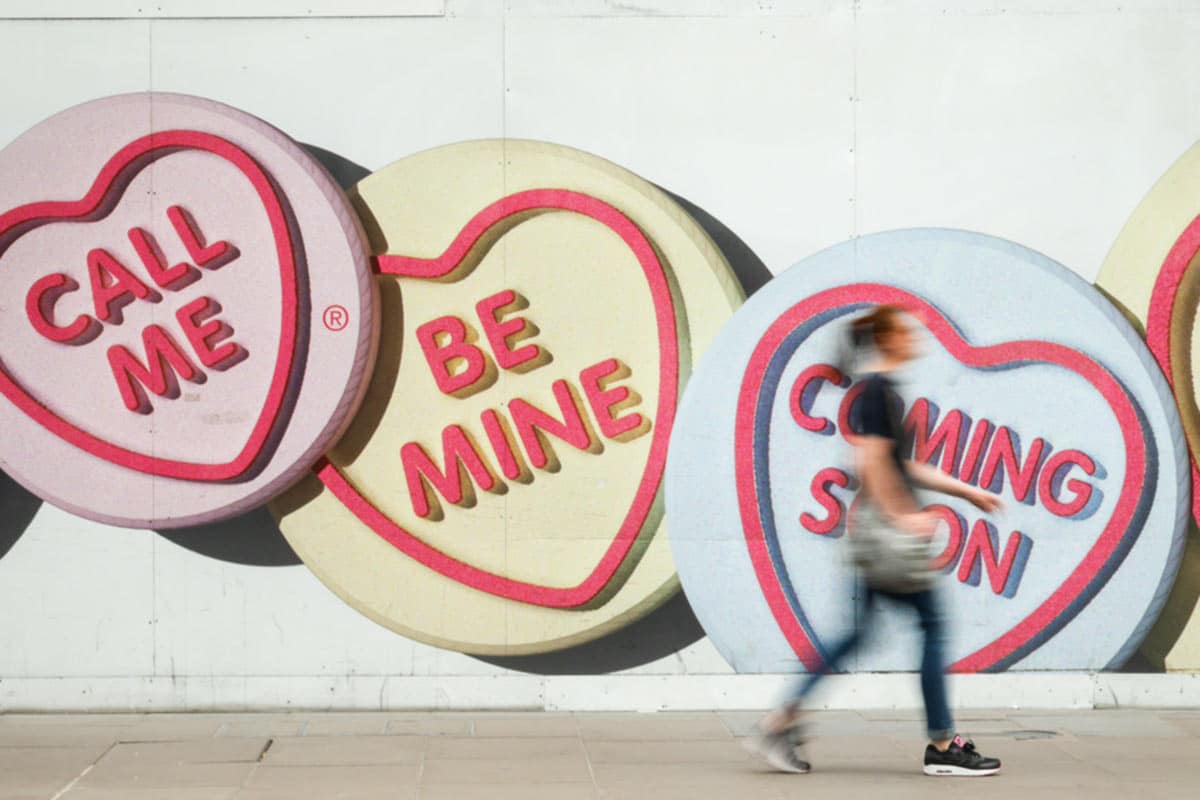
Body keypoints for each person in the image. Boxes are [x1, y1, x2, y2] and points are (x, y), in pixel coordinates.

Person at [748, 305, 1004, 777]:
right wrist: (904, 517)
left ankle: (780, 720)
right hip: (888, 536)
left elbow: (899, 464)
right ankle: (944, 744)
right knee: (931, 624)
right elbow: (869, 462)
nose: (915, 339)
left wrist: (967, 491)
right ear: (887, 339)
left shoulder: (878, 393)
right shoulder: (878, 393)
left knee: (859, 633)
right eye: (906, 331)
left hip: (876, 535)